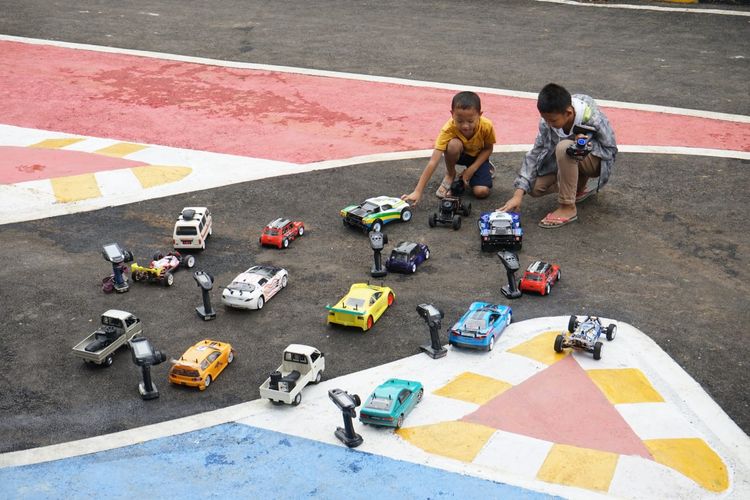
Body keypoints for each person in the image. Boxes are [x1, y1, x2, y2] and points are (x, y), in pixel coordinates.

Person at [498, 83, 617, 228]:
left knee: (564, 147)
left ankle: (567, 207)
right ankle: (578, 188)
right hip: (567, 162)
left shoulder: (593, 119)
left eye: (552, 120)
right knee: (534, 187)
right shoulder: (547, 122)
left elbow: (610, 150)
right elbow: (536, 152)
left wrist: (587, 145)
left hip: (594, 164)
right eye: (545, 119)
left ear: (568, 113)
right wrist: (518, 194)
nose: (548, 123)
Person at [402, 91, 495, 205]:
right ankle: (450, 174)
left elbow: (488, 149)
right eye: (459, 121)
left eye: (470, 121)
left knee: (481, 192)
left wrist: (472, 169)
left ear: (480, 115)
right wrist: (417, 191)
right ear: (452, 114)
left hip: (478, 156)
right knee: (453, 145)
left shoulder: (486, 126)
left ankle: (481, 169)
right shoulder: (448, 129)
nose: (465, 126)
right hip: (460, 153)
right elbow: (433, 161)